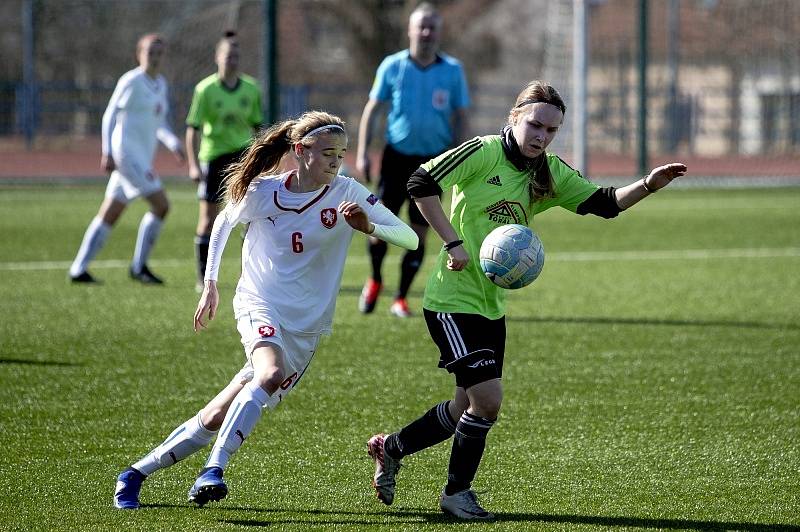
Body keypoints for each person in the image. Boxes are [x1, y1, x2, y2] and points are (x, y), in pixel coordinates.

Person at [365, 80, 688, 521]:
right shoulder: (481, 152)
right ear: (514, 117)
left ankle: (392, 447)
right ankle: (456, 494)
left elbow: (606, 203)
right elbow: (420, 182)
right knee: (488, 401)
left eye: (551, 130)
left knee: (464, 406)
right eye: (535, 124)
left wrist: (649, 184)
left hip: (490, 304)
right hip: (450, 299)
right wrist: (453, 242)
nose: (541, 135)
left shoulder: (546, 171)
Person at [112, 111, 418, 509]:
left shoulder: (348, 192)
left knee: (218, 414)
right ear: (299, 151)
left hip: (307, 328)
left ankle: (134, 474)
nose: (335, 161)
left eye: (341, 154)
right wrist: (210, 285)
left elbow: (409, 237)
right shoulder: (265, 191)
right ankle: (214, 469)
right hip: (260, 302)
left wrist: (369, 227)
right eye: (327, 152)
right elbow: (223, 224)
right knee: (269, 372)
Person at [355, 2, 470, 318]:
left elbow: (461, 116)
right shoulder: (393, 65)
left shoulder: (452, 70)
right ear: (410, 29)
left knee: (419, 233)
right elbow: (373, 110)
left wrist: (461, 159)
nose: (427, 32)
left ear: (439, 32)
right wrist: (364, 151)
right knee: (379, 226)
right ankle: (375, 279)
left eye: (432, 26)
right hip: (395, 159)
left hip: (433, 163)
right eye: (421, 26)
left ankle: (401, 297)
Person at [69, 33, 185, 284]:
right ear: (139, 54)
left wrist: (173, 142)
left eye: (159, 53)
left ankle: (78, 269)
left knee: (111, 211)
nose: (155, 58)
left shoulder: (161, 84)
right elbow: (109, 115)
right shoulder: (131, 81)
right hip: (126, 154)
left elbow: (158, 122)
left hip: (141, 157)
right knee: (162, 205)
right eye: (150, 52)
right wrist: (107, 151)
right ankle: (139, 266)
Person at [186, 31, 264, 290]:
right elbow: (192, 128)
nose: (232, 61)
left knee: (250, 215)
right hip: (214, 157)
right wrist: (193, 164)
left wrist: (261, 162)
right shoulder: (205, 89)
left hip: (242, 157)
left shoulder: (251, 88)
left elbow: (258, 129)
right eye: (228, 56)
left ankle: (249, 275)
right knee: (208, 218)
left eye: (236, 56)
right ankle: (202, 277)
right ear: (217, 57)